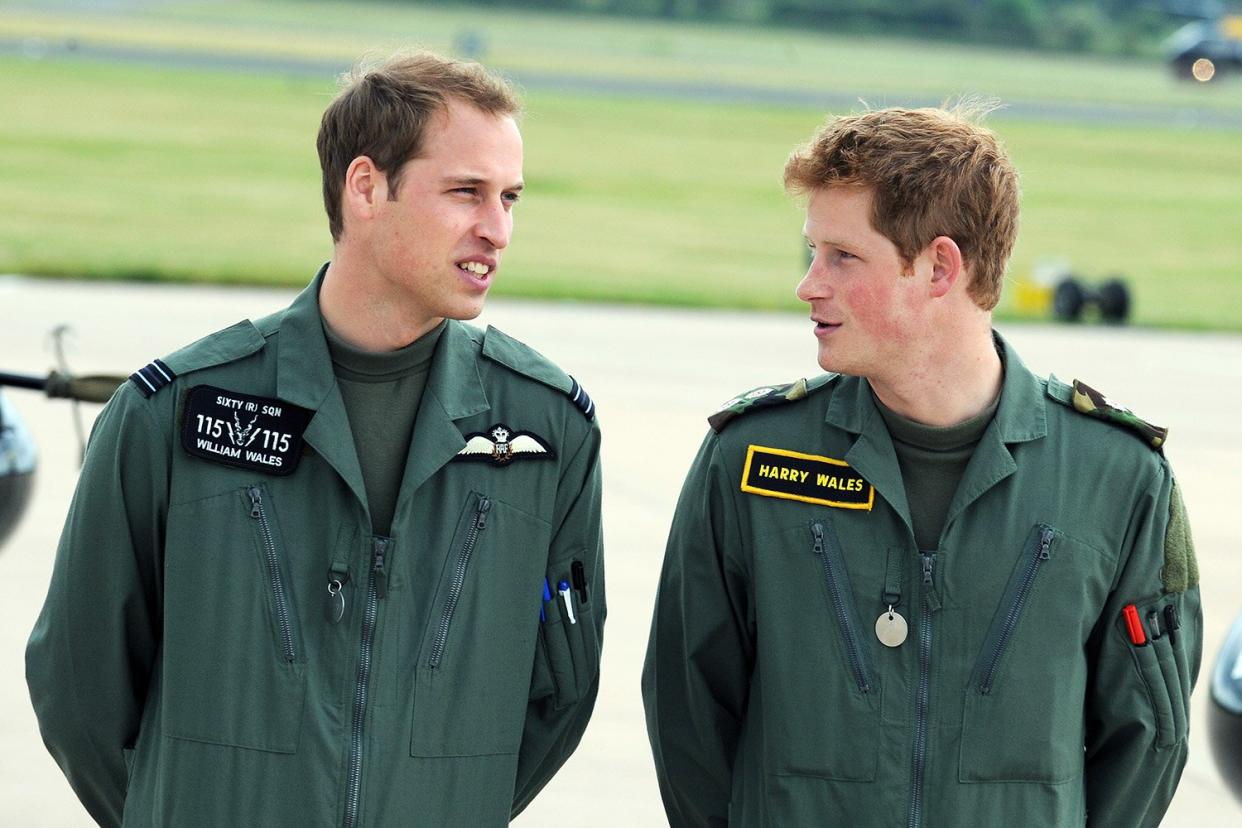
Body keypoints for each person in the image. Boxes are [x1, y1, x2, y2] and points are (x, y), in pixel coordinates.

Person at [27, 52, 604, 828]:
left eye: (510, 198)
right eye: (466, 192)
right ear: (365, 187)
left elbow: (560, 694)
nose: (496, 229)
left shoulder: (550, 431)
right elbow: (78, 687)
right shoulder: (173, 412)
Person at [642, 105, 1201, 827]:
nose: (809, 285)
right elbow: (688, 717)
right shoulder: (751, 460)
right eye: (811, 253)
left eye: (842, 256)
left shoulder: (1119, 479)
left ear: (940, 266)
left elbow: (1149, 739)